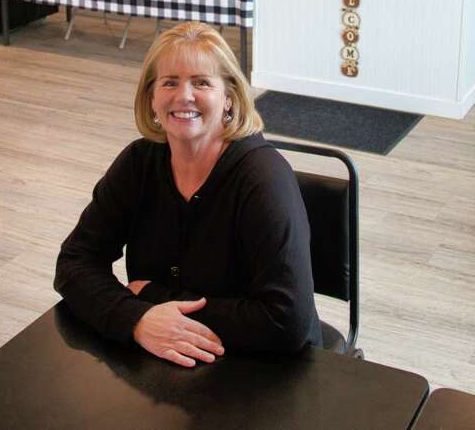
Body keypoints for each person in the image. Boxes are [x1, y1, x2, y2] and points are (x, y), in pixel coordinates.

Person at [55, 22, 322, 366]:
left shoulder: (263, 178)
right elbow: (74, 260)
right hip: (166, 362)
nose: (184, 96)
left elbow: (287, 323)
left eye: (201, 83)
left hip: (265, 367)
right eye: (169, 82)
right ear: (152, 98)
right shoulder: (139, 163)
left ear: (229, 98)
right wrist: (136, 319)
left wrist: (150, 296)